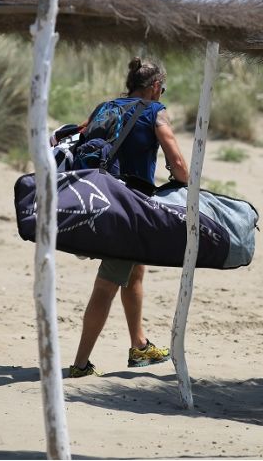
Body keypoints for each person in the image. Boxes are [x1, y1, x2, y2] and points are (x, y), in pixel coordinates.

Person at [69, 57, 189, 378]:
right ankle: (80, 364)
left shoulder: (104, 107)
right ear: (154, 86)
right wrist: (187, 183)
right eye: (161, 88)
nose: (161, 93)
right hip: (129, 207)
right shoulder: (154, 112)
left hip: (99, 199)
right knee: (107, 284)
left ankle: (139, 346)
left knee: (134, 273)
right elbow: (176, 159)